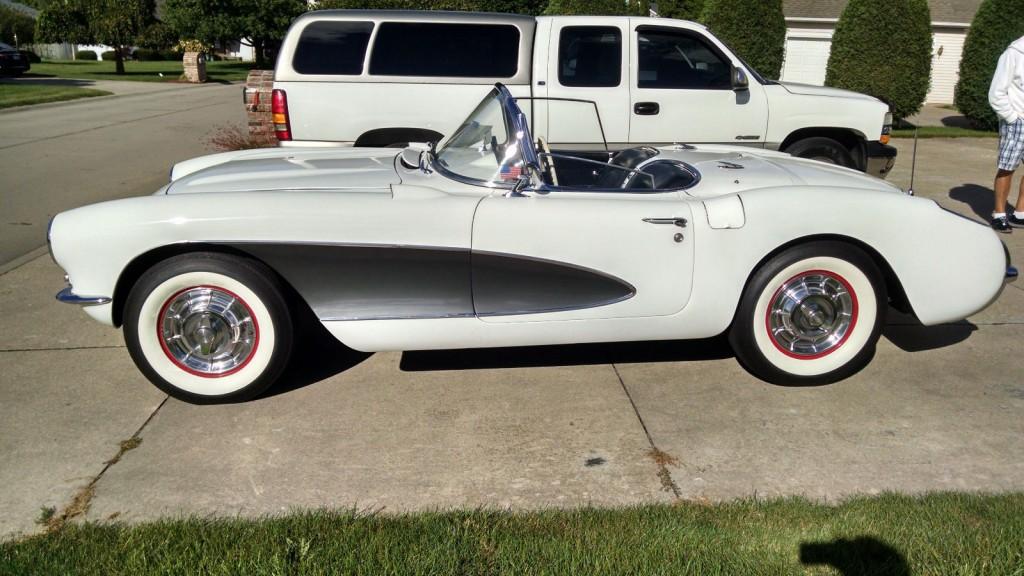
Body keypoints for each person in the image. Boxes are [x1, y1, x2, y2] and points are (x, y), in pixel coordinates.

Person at [990, 36, 1024, 233]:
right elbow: (996, 92)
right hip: (1016, 120)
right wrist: (1011, 118)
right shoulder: (1014, 52)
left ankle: (1020, 213)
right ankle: (999, 214)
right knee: (1007, 168)